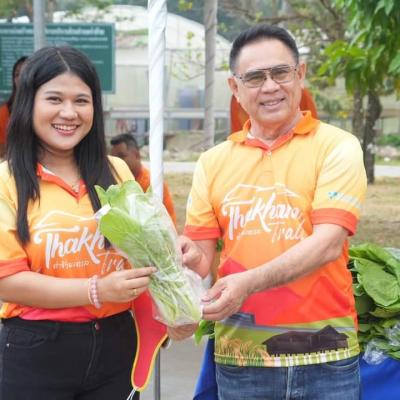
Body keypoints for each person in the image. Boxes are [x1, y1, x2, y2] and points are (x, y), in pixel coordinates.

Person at [0, 45, 198, 399]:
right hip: (36, 349)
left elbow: (144, 255)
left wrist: (175, 280)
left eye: (81, 100)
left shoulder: (116, 171)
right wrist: (96, 290)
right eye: (54, 99)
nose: (69, 113)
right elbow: (7, 281)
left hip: (117, 344)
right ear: (29, 103)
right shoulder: (7, 180)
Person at [183, 25, 367, 399]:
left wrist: (247, 283)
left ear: (300, 74)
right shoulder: (212, 162)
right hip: (242, 358)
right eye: (255, 77)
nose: (270, 87)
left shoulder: (337, 146)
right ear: (235, 88)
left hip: (326, 355)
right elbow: (200, 258)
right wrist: (181, 256)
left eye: (280, 72)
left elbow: (328, 243)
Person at [110, 133, 177, 225]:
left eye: (121, 156)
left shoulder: (152, 183)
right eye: (113, 158)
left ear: (137, 155)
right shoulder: (114, 183)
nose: (116, 162)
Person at [0, 56, 28, 158]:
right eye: (17, 74)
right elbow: (2, 152)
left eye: (26, 73)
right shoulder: (4, 112)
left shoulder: (48, 110)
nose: (20, 78)